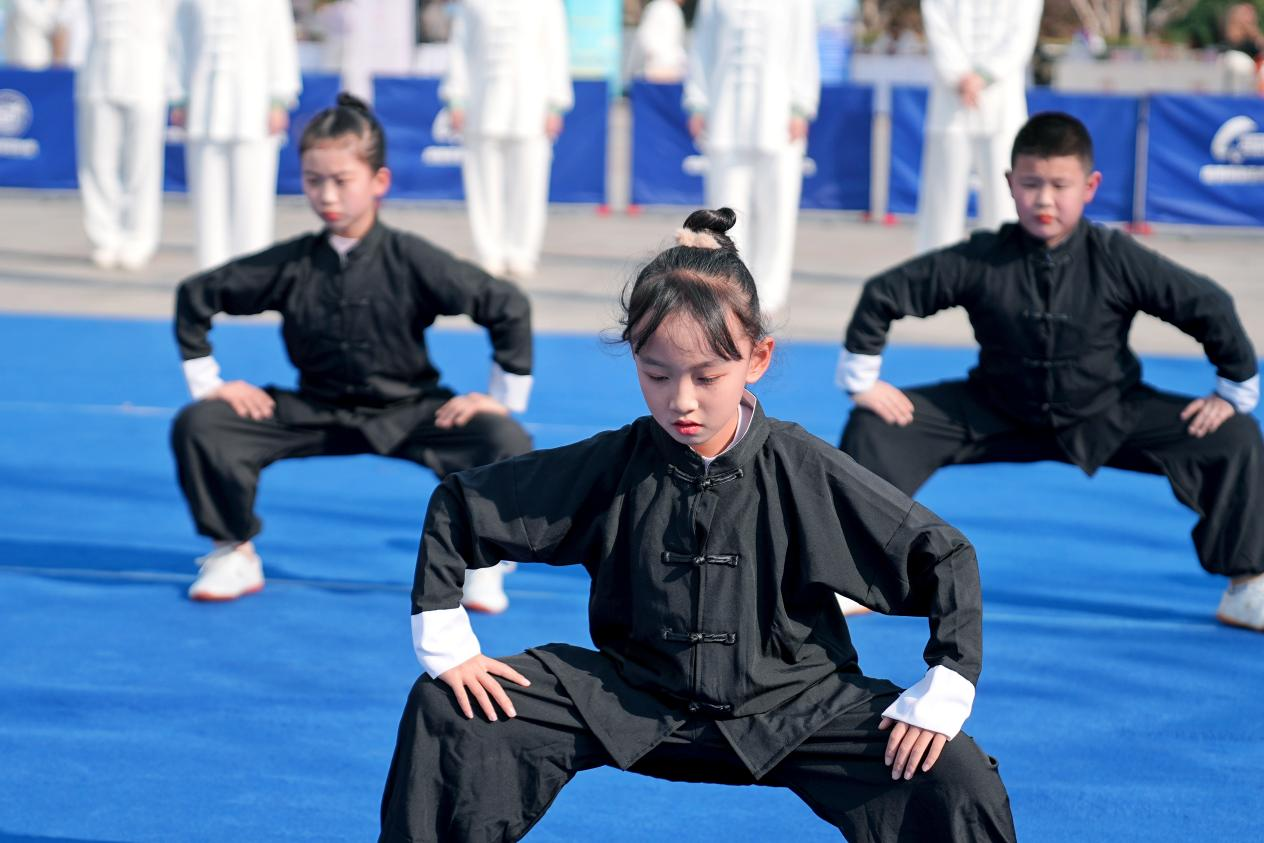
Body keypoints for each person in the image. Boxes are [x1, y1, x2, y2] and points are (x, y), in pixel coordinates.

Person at [378, 208, 1017, 842]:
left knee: (949, 770)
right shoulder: (612, 464)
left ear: (757, 358)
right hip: (627, 697)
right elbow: (461, 504)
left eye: (708, 376)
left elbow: (945, 556)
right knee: (450, 708)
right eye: (656, 374)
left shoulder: (802, 467)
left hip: (795, 708)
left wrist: (948, 682)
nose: (681, 400)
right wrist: (446, 643)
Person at [837, 112, 1264, 632]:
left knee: (1233, 438)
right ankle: (854, 577)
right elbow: (884, 293)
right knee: (875, 428)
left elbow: (1206, 304)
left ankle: (1247, 586)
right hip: (994, 409)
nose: (1044, 199)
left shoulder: (1116, 258)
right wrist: (862, 379)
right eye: (1031, 183)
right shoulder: (982, 258)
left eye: (1060, 186)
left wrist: (1232, 389)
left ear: (1090, 187)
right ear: (1009, 184)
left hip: (1108, 412)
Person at [169, 93, 534, 614]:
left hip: (410, 411)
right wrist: (210, 384)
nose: (327, 195)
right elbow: (196, 296)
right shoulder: (291, 263)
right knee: (204, 425)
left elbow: (507, 305)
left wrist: (502, 397)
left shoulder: (413, 259)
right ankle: (234, 550)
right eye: (313, 180)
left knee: (502, 438)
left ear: (378, 181)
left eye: (341, 181)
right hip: (314, 410)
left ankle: (484, 561)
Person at [685, 0, 819, 317]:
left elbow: (804, 50)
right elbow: (702, 48)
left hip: (779, 118)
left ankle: (770, 293)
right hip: (725, 117)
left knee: (777, 211)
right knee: (725, 212)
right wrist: (697, 102)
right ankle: (730, 287)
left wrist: (801, 106)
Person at [440, 0, 572, 281]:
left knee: (529, 185)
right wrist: (456, 97)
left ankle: (522, 251)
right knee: (482, 184)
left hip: (531, 109)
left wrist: (556, 104)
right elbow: (460, 48)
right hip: (481, 106)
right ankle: (489, 251)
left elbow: (556, 50)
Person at [169, 0, 302, 271]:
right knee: (207, 200)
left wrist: (279, 99)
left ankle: (251, 272)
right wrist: (178, 96)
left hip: (253, 107)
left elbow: (280, 42)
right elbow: (178, 43)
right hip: (203, 107)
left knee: (252, 199)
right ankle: (211, 271)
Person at [915, 0, 1043, 254]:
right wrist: (960, 76)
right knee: (942, 199)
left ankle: (1005, 267)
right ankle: (936, 268)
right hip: (950, 105)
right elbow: (937, 28)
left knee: (1004, 198)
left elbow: (1020, 38)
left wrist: (982, 77)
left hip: (1002, 108)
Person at [72, 0, 173, 271]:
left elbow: (172, 21)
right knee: (97, 161)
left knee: (142, 163)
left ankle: (139, 237)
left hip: (146, 73)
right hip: (98, 72)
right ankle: (103, 237)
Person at [630, 0, 686, 83]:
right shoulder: (658, 7)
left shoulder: (673, 9)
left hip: (670, 70)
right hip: (655, 70)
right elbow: (645, 37)